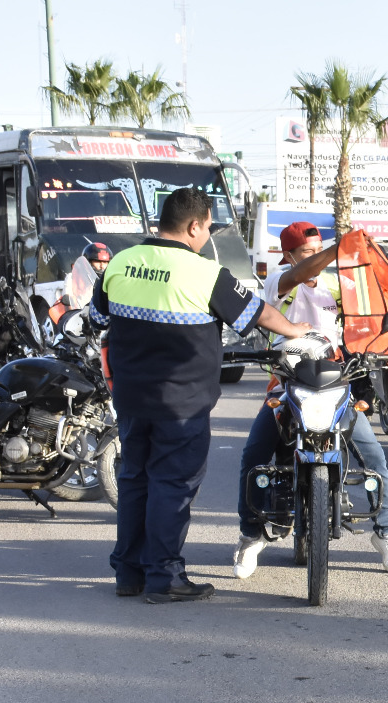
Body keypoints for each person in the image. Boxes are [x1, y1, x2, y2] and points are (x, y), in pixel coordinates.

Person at [90, 187, 309, 603]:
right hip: (181, 404)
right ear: (193, 226)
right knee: (171, 484)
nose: (208, 235)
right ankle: (164, 577)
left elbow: (97, 317)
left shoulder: (120, 262)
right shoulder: (204, 272)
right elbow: (257, 313)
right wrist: (297, 331)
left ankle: (129, 574)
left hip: (131, 398)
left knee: (135, 479)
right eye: (207, 227)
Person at [232, 219, 388, 578]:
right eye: (306, 252)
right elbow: (301, 274)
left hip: (334, 384)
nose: (315, 257)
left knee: (374, 455)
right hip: (287, 385)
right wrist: (334, 251)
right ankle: (250, 536)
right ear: (289, 255)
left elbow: (366, 312)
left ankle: (387, 534)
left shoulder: (335, 285)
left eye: (318, 250)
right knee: (253, 455)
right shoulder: (278, 281)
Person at [61, 242, 112, 310]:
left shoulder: (110, 279)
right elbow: (67, 297)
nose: (102, 266)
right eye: (98, 261)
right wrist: (69, 300)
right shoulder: (72, 277)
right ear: (88, 262)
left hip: (101, 312)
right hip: (78, 312)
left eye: (105, 262)